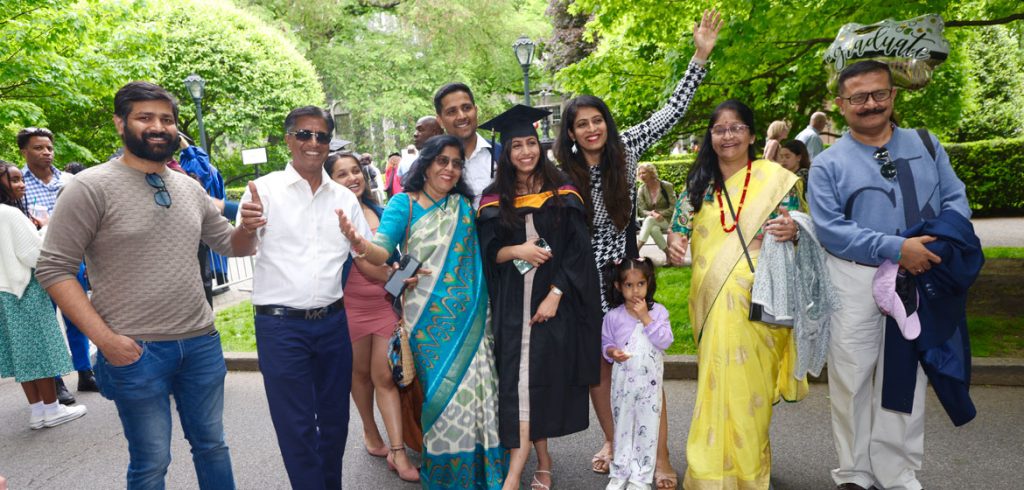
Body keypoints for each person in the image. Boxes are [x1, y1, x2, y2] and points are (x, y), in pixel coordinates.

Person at [37, 81, 251, 489]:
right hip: (135, 351)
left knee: (213, 446)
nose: (159, 126)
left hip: (201, 344)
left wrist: (252, 227)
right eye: (145, 118)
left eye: (166, 119)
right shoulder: (89, 187)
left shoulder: (189, 187)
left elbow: (231, 243)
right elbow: (54, 269)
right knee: (151, 462)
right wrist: (107, 341)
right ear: (121, 124)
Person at [553, 9, 721, 486]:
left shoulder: (626, 148)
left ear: (606, 123)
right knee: (600, 372)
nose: (591, 129)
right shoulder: (563, 175)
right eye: (580, 124)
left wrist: (699, 57)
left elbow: (671, 112)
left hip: (626, 280)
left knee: (646, 367)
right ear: (570, 133)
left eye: (596, 120)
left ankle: (660, 456)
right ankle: (618, 442)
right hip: (586, 284)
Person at [806, 60, 970, 490]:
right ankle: (854, 472)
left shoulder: (926, 144)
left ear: (894, 95)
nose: (871, 104)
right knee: (852, 377)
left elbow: (956, 200)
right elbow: (831, 230)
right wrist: (898, 249)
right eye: (858, 97)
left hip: (918, 276)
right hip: (855, 280)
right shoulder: (827, 164)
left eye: (879, 93)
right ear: (842, 105)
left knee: (907, 376)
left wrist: (932, 248)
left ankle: (896, 471)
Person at [338, 135, 507, 489]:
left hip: (473, 316)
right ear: (426, 163)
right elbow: (384, 251)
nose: (449, 168)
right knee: (439, 398)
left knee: (479, 392)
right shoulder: (404, 204)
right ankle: (448, 475)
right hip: (426, 321)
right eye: (442, 161)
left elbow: (484, 253)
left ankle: (484, 469)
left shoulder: (463, 205)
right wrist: (359, 242)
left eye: (456, 163)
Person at [665, 99, 808, 489]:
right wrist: (674, 245)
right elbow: (677, 235)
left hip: (759, 303)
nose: (727, 135)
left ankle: (749, 472)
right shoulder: (697, 187)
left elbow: (800, 234)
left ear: (751, 134)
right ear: (710, 137)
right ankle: (710, 473)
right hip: (711, 303)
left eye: (736, 128)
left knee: (751, 394)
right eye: (719, 129)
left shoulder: (775, 181)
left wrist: (794, 232)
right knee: (715, 385)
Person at [233, 106, 370, 489]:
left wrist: (394, 269)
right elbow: (241, 248)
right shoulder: (265, 190)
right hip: (280, 326)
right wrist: (246, 226)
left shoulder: (343, 197)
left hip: (332, 322)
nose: (313, 143)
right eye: (304, 134)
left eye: (321, 136)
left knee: (335, 421)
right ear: (289, 139)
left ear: (329, 143)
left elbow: (367, 256)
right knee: (295, 426)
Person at [477, 105, 603, 490]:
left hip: (554, 304)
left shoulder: (562, 188)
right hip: (513, 305)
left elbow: (579, 252)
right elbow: (488, 253)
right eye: (516, 146)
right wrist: (519, 251)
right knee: (517, 383)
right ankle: (533, 463)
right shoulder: (493, 197)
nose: (525, 152)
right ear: (506, 154)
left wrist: (556, 295)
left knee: (540, 381)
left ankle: (528, 467)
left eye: (530, 143)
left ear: (540, 145)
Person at [324, 151, 419, 483]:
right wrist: (396, 274)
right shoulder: (331, 217)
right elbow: (364, 263)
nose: (352, 178)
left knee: (385, 377)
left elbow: (393, 255)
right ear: (329, 181)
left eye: (355, 171)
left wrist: (400, 273)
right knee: (359, 376)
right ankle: (369, 431)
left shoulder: (381, 210)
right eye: (342, 174)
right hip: (347, 309)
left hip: (383, 305)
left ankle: (398, 451)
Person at [0, 160, 88, 430]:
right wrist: (48, 227)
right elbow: (34, 255)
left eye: (20, 179)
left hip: (4, 293)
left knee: (22, 356)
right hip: (24, 290)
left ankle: (37, 411)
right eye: (14, 180)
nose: (21, 184)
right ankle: (52, 409)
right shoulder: (11, 214)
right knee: (42, 352)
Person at [16, 127, 87, 403]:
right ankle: (56, 380)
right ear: (24, 151)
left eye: (49, 147)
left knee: (78, 316)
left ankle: (85, 371)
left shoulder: (68, 181)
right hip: (36, 263)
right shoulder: (15, 182)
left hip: (72, 258)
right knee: (47, 323)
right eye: (38, 148)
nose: (46, 152)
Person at [602, 258, 673, 490]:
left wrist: (645, 318)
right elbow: (606, 345)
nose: (635, 291)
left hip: (650, 390)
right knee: (621, 428)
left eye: (640, 284)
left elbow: (665, 341)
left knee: (648, 429)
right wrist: (613, 351)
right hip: (622, 387)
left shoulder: (659, 312)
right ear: (618, 287)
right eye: (629, 285)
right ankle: (620, 471)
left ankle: (641, 476)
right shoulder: (613, 317)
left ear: (648, 283)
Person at [433, 83, 497, 202]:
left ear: (476, 110)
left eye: (466, 108)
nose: (461, 116)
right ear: (440, 121)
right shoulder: (432, 165)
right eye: (452, 112)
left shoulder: (501, 154)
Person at [635, 163, 676, 252]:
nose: (641, 176)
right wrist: (653, 213)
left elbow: (674, 206)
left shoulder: (666, 186)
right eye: (640, 174)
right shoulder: (641, 189)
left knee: (649, 220)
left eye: (644, 173)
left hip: (668, 220)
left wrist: (661, 214)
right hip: (652, 220)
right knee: (654, 229)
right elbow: (642, 210)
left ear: (651, 172)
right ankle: (668, 256)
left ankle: (636, 250)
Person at [777, 139, 812, 211]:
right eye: (781, 157)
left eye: (787, 157)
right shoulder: (784, 175)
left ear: (798, 158)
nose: (783, 160)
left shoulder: (804, 174)